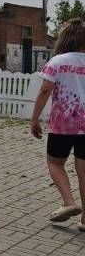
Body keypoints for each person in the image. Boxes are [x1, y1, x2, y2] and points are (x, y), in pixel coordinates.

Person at [30, 18, 85, 228]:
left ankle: (69, 203)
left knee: (55, 163)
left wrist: (35, 118)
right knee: (84, 171)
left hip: (63, 123)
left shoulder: (58, 62)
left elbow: (45, 90)